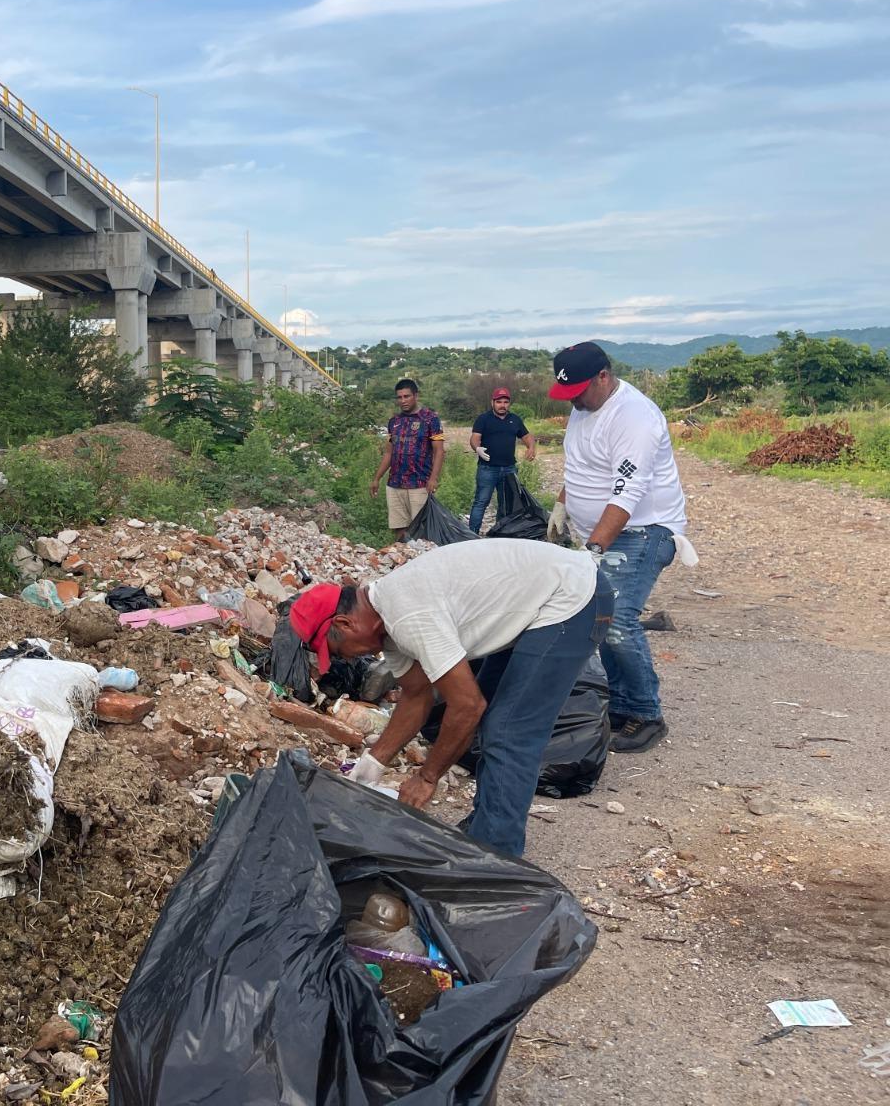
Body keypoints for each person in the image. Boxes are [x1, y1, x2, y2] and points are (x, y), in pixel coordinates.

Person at [294, 540, 612, 860]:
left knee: (508, 731)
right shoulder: (387, 626)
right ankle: (488, 826)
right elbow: (417, 696)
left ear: (344, 624)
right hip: (542, 602)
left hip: (573, 598)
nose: (347, 659)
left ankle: (496, 860)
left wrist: (427, 777)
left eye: (337, 651)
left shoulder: (406, 615)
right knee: (493, 722)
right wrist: (373, 763)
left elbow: (468, 706)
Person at [545, 341, 693, 754]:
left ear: (603, 377)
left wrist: (593, 549)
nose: (573, 399)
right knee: (598, 619)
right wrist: (563, 503)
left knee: (617, 620)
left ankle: (646, 714)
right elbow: (581, 465)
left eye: (579, 390)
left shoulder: (634, 417)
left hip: (644, 532)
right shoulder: (584, 409)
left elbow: (627, 493)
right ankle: (622, 705)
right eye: (566, 392)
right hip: (603, 532)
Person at [369, 378, 444, 540]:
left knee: (421, 530)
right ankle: (402, 559)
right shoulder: (394, 422)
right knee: (399, 529)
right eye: (399, 397)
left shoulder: (430, 419)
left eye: (406, 396)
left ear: (415, 396)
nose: (403, 401)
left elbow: (439, 451)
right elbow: (389, 453)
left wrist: (433, 478)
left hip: (419, 484)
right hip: (395, 484)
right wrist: (376, 479)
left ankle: (423, 561)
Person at [468, 387, 536, 533]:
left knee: (506, 504)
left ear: (509, 404)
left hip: (509, 469)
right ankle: (471, 534)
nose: (502, 405)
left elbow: (527, 436)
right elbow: (474, 438)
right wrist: (477, 448)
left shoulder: (515, 419)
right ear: (492, 402)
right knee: (481, 502)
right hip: (487, 469)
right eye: (499, 402)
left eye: (505, 402)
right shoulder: (483, 419)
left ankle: (500, 533)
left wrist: (531, 447)